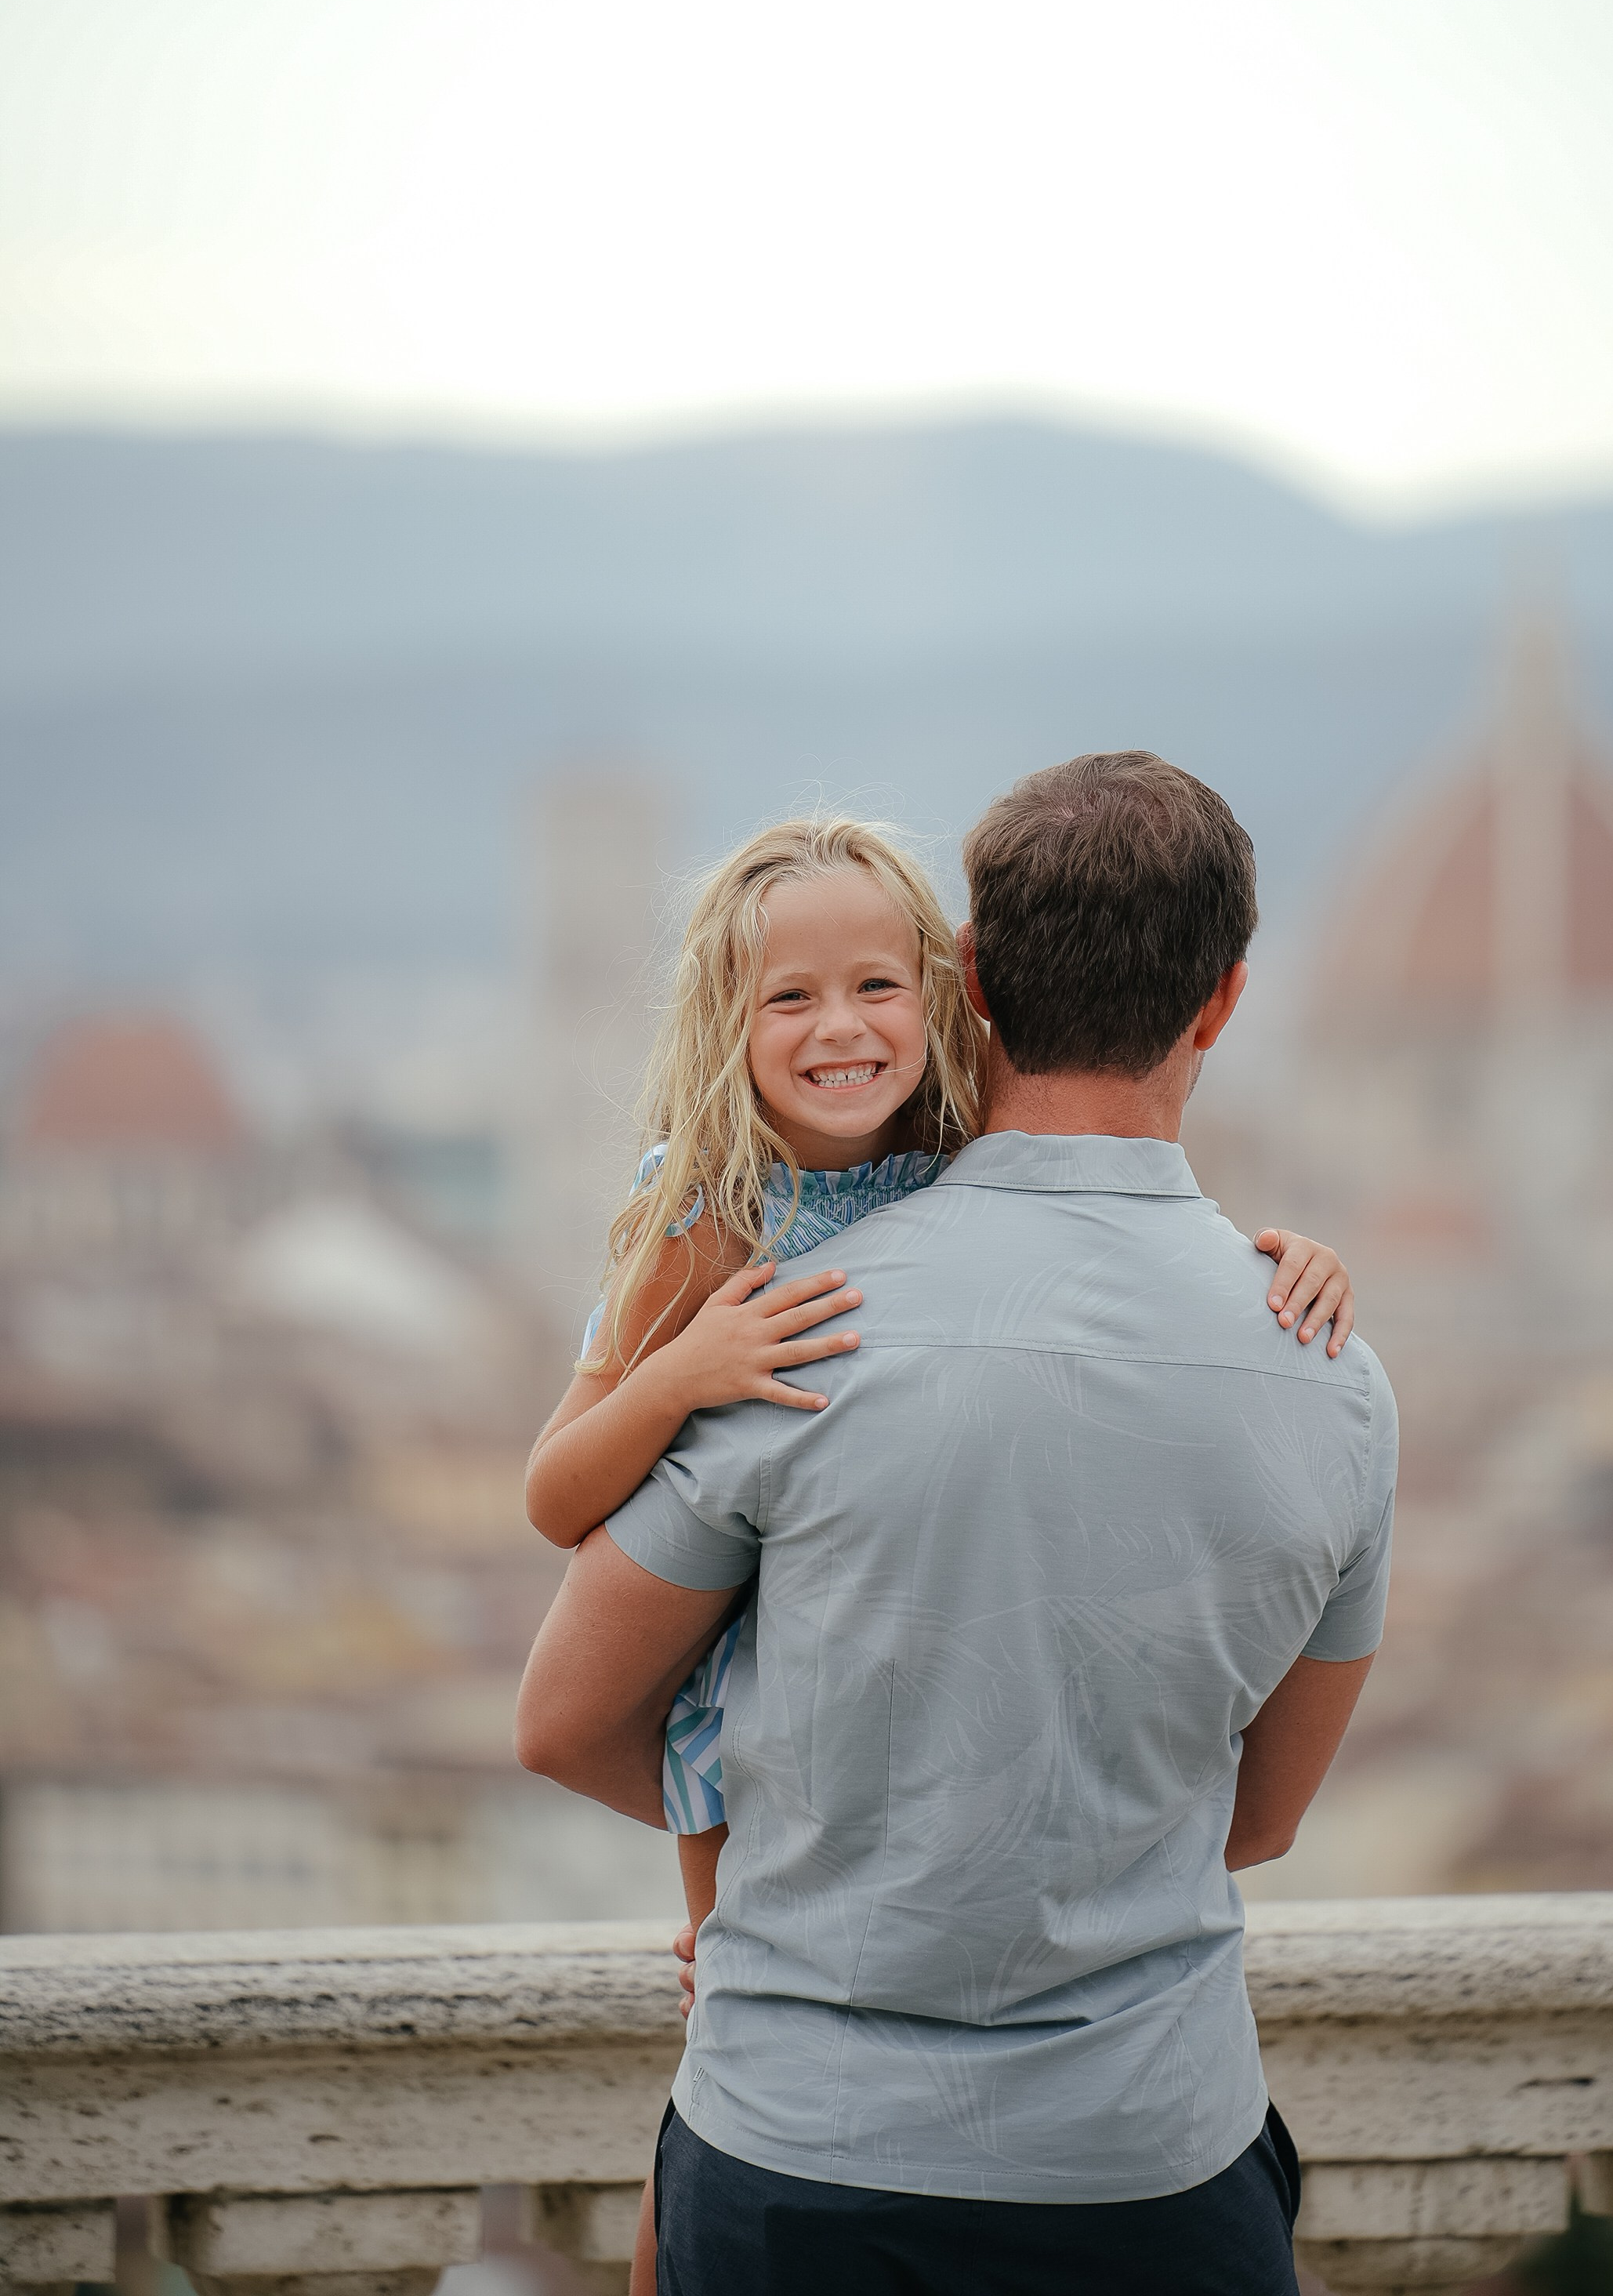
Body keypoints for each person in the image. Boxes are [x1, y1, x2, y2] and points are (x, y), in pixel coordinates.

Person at [517, 757, 1396, 2295]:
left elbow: (565, 1721)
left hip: (801, 2155)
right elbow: (1257, 1823)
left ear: (966, 984)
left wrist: (782, 1880)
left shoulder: (804, 1330)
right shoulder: (1330, 1376)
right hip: (1152, 2165)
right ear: (1223, 1003)